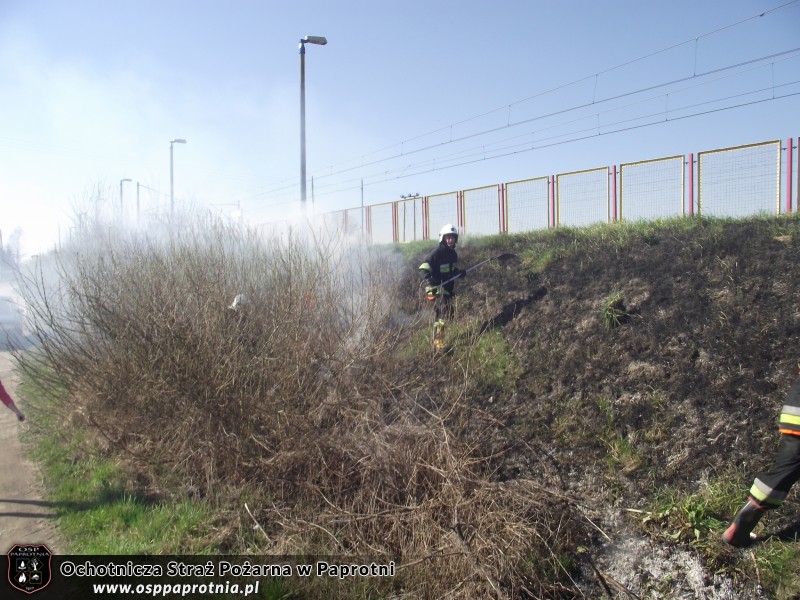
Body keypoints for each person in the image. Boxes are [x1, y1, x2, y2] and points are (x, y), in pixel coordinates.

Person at [722, 377, 800, 546]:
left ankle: (739, 529)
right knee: (782, 474)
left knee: (783, 472)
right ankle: (739, 530)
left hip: (795, 407)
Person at [418, 224, 465, 348]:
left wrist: (459, 273)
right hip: (436, 288)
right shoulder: (436, 253)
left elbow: (450, 270)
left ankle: (438, 339)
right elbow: (423, 268)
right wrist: (429, 279)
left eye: (452, 238)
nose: (450, 240)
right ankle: (438, 341)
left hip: (447, 288)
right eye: (448, 238)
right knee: (442, 313)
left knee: (447, 314)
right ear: (443, 238)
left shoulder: (453, 254)